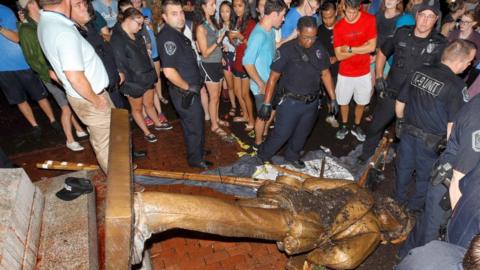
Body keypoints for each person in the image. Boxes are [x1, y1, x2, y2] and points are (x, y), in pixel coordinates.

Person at [398, 71, 480, 258]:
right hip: (450, 188)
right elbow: (458, 178)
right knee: (432, 240)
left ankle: (403, 255)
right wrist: (455, 226)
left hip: (450, 182)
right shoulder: (477, 122)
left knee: (425, 224)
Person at [357, 0, 447, 163]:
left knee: (407, 134)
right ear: (417, 15)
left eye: (430, 17)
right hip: (391, 93)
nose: (425, 21)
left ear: (435, 21)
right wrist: (378, 76)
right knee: (376, 126)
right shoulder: (401, 33)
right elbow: (383, 52)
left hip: (416, 100)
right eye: (423, 15)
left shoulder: (440, 44)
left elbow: (444, 73)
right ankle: (366, 154)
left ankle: (399, 158)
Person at [394, 39, 475, 215]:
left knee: (403, 169)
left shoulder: (419, 70)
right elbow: (452, 125)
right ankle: (412, 209)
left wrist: (399, 122)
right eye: (469, 62)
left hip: (407, 132)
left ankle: (397, 202)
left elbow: (400, 101)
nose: (469, 65)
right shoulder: (457, 86)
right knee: (424, 177)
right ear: (460, 62)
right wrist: (449, 154)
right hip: (431, 143)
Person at [38, 0, 114, 173]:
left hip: (82, 95)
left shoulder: (46, 22)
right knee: (108, 147)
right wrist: (96, 99)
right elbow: (74, 76)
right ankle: (122, 191)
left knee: (107, 141)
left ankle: (120, 176)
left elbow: (57, 73)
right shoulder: (63, 32)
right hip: (91, 98)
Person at [256, 16, 338, 169]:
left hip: (311, 103)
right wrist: (267, 103)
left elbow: (325, 73)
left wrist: (333, 98)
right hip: (290, 103)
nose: (310, 41)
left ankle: (292, 156)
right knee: (281, 134)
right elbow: (273, 78)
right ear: (298, 32)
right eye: (306, 37)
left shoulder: (319, 48)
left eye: (313, 37)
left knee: (302, 133)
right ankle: (262, 155)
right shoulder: (286, 50)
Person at [17, 0, 87, 152]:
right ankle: (69, 139)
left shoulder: (44, 21)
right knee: (65, 106)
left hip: (61, 69)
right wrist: (47, 73)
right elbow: (32, 59)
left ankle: (78, 129)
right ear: (29, 6)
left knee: (70, 100)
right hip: (50, 75)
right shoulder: (27, 29)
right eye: (33, 2)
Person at [157, 0, 212, 169]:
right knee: (193, 125)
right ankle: (195, 159)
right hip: (184, 92)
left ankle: (198, 150)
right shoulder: (168, 37)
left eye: (181, 12)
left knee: (196, 121)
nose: (180, 17)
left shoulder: (176, 32)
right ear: (165, 17)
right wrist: (189, 87)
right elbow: (168, 71)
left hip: (190, 89)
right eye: (174, 14)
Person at [0, 4, 60, 140]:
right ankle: (35, 126)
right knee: (19, 100)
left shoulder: (5, 11)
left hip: (21, 63)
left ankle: (53, 120)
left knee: (39, 95)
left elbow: (17, 38)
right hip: (2, 69)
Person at [110, 7, 168, 143]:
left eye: (142, 24)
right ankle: (146, 132)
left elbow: (146, 56)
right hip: (133, 82)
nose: (141, 27)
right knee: (136, 108)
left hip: (146, 76)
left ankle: (158, 124)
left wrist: (152, 74)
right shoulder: (117, 39)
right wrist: (128, 85)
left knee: (149, 103)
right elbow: (120, 65)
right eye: (139, 24)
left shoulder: (136, 33)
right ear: (128, 20)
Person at [243, 0, 288, 149]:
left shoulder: (270, 30)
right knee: (263, 116)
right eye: (282, 15)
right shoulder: (259, 35)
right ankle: (258, 144)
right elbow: (247, 62)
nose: (284, 19)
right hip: (261, 86)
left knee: (272, 111)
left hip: (270, 81)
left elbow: (271, 49)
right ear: (274, 14)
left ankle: (265, 134)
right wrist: (261, 83)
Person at [333, 0, 377, 142]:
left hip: (363, 72)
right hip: (345, 72)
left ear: (359, 8)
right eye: (348, 12)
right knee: (343, 102)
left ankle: (357, 125)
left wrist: (350, 48)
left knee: (362, 102)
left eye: (354, 12)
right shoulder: (338, 26)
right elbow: (339, 55)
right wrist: (362, 47)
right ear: (344, 7)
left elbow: (371, 47)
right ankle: (344, 124)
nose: (351, 16)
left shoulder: (369, 19)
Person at [194, 0, 229, 139]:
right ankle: (214, 125)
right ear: (203, 7)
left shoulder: (212, 22)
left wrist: (221, 52)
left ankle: (216, 119)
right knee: (213, 97)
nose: (215, 7)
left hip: (216, 63)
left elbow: (215, 44)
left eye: (215, 4)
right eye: (211, 5)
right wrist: (218, 42)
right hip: (208, 64)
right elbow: (205, 52)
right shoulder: (200, 27)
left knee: (217, 95)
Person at [229, 0, 256, 131]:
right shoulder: (236, 21)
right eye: (235, 6)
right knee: (237, 92)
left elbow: (252, 45)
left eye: (240, 6)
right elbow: (235, 43)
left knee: (245, 94)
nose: (237, 9)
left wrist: (240, 37)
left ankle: (252, 120)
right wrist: (231, 38)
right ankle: (245, 115)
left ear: (245, 6)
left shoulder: (251, 23)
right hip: (236, 60)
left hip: (245, 62)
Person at [317, 0, 340, 128]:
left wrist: (337, 57)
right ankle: (330, 113)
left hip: (338, 68)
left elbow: (348, 47)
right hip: (323, 68)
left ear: (336, 12)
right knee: (327, 91)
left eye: (330, 17)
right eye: (324, 17)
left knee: (335, 92)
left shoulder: (341, 28)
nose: (327, 20)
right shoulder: (319, 30)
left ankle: (333, 114)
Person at [218, 1, 238, 118]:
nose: (225, 14)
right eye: (222, 12)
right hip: (226, 58)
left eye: (227, 11)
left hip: (236, 58)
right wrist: (221, 54)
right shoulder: (219, 28)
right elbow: (217, 45)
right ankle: (234, 106)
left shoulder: (236, 26)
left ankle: (242, 105)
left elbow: (240, 45)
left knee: (238, 86)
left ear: (231, 12)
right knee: (230, 85)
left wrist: (230, 42)